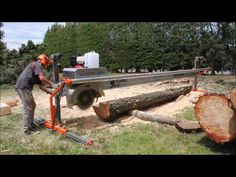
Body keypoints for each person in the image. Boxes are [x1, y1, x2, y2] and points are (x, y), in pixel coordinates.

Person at [15, 54, 54, 135]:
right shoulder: (38, 64)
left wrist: (50, 92)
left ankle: (31, 124)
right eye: (46, 63)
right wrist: (52, 84)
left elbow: (41, 86)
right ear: (43, 61)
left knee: (33, 105)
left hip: (25, 88)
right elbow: (42, 78)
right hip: (23, 87)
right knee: (28, 108)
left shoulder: (35, 68)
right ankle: (27, 130)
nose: (46, 66)